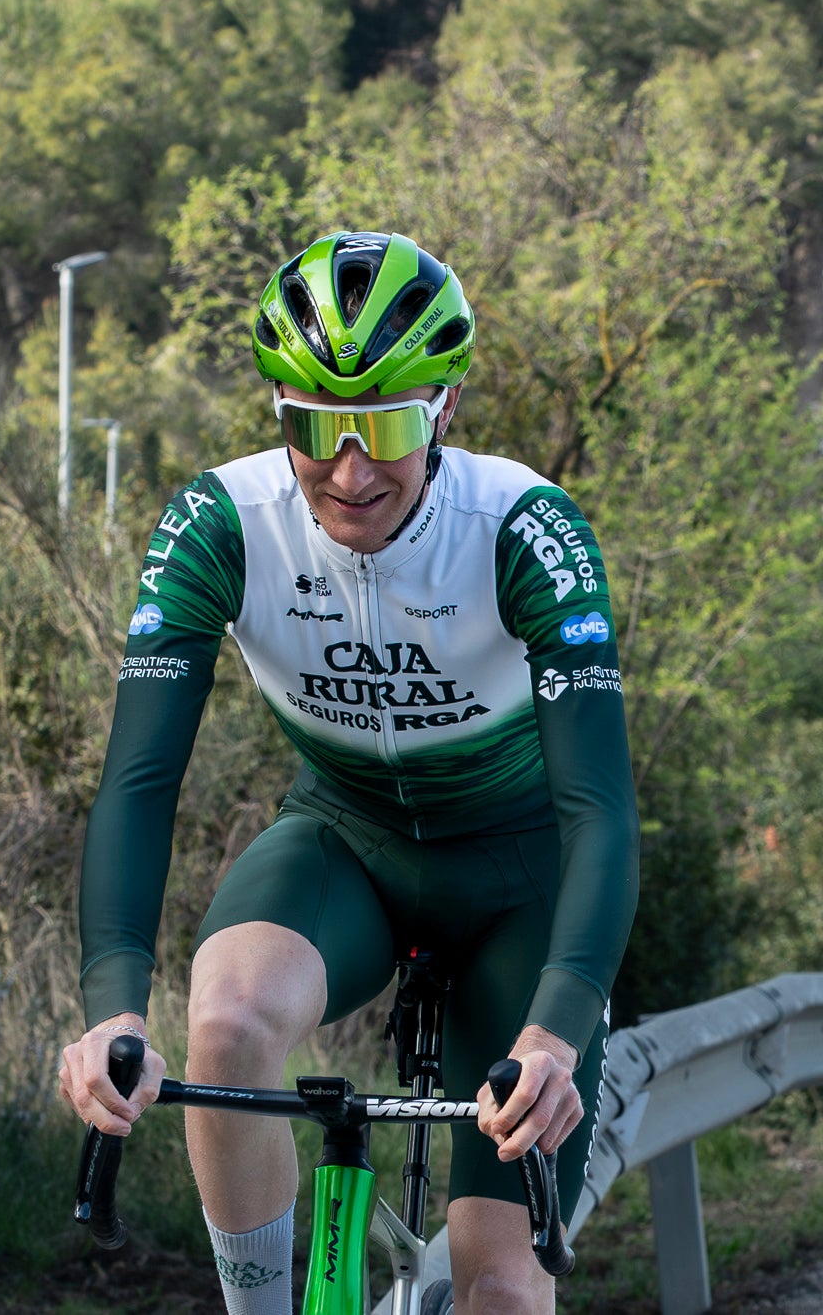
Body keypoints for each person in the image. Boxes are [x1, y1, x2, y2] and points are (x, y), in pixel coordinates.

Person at [58, 231, 639, 1315]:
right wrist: (110, 1010)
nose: (350, 468)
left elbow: (598, 809)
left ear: (445, 407)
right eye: (313, 428)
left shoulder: (522, 530)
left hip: (524, 881)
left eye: (384, 425)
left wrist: (556, 1031)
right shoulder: (221, 526)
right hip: (347, 848)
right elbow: (139, 782)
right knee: (225, 1028)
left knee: (502, 1290)